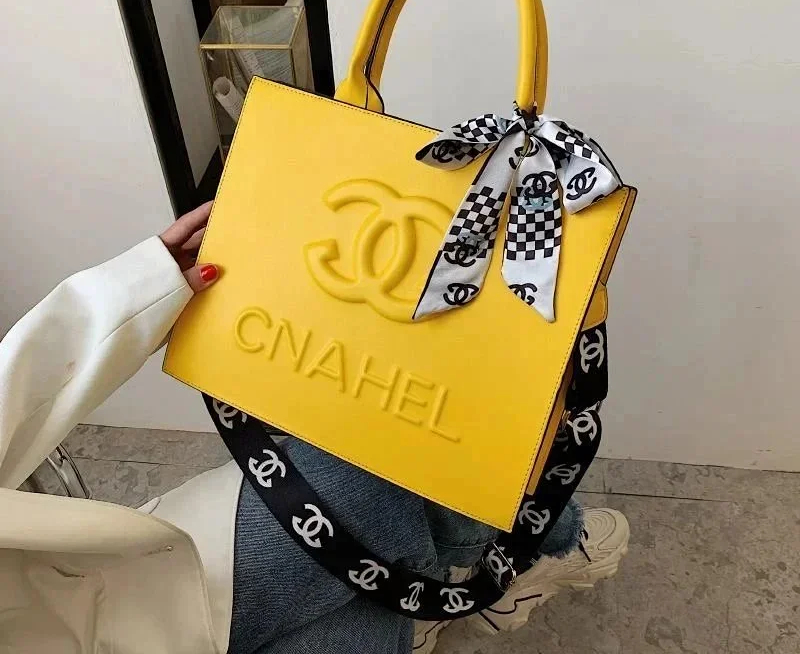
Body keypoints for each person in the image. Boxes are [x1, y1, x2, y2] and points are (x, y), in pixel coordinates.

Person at [0, 203, 628, 654]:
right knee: (379, 590)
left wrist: (139, 287)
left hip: (120, 587)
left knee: (385, 474)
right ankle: (492, 569)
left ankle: (520, 555)